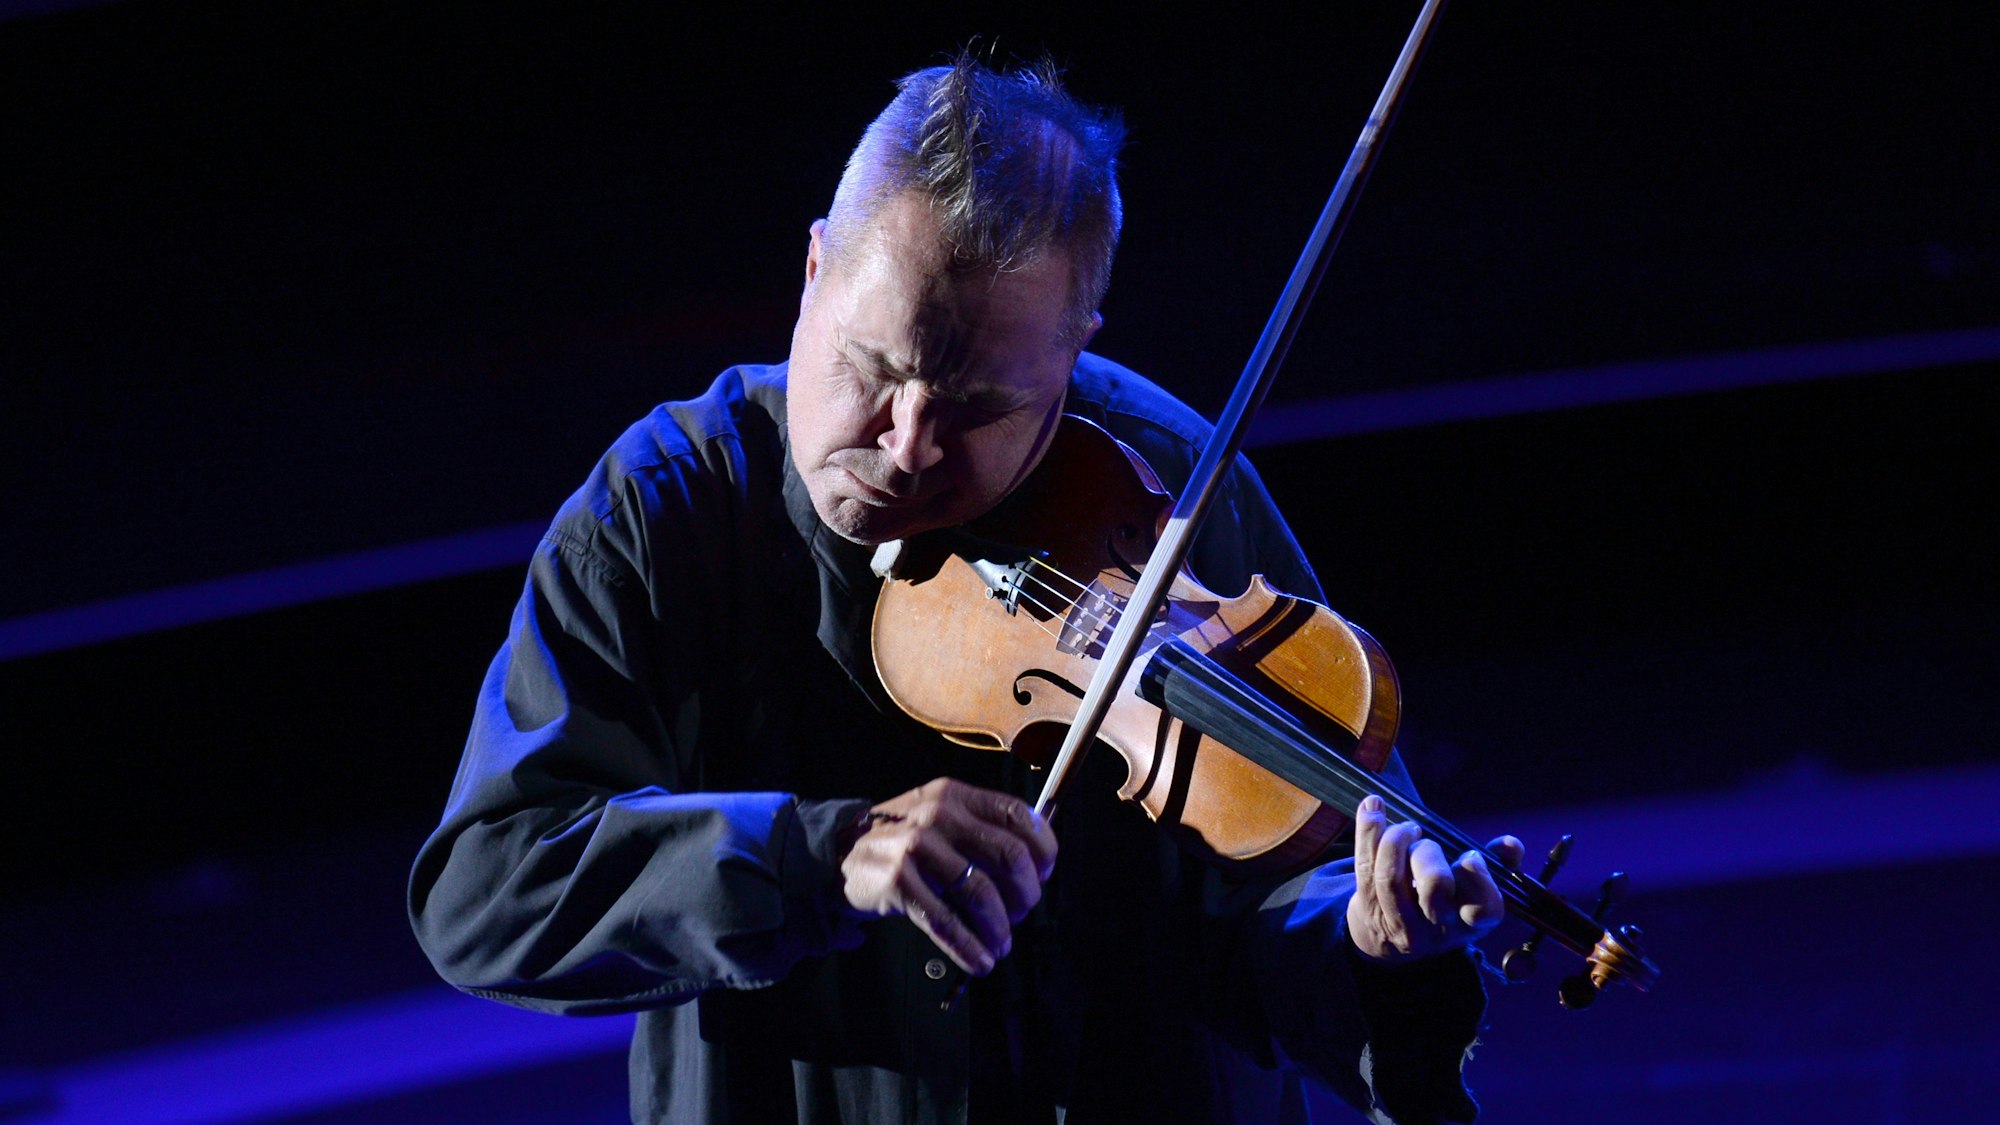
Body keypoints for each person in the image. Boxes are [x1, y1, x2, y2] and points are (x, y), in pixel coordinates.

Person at [409, 54, 1522, 1125]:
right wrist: (814, 856)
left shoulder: (1171, 494)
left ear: (1074, 348)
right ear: (812, 274)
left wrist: (1371, 942)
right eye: (872, 370)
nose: (903, 445)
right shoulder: (662, 513)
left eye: (977, 407)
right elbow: (487, 892)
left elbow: (1283, 909)